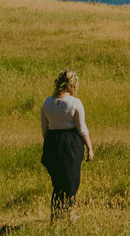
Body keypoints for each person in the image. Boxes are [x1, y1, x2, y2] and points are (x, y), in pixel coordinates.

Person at [40, 69, 94, 218]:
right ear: (73, 84)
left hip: (52, 142)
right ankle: (69, 214)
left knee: (57, 182)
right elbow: (82, 128)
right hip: (70, 144)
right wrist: (89, 147)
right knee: (71, 181)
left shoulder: (47, 103)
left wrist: (52, 144)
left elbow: (44, 130)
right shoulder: (75, 103)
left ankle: (55, 214)